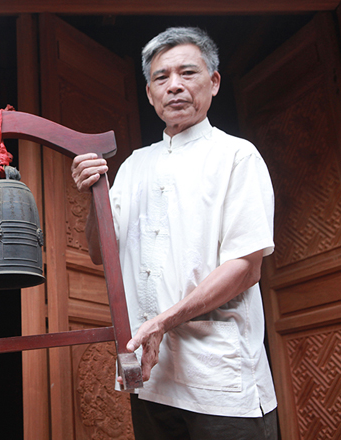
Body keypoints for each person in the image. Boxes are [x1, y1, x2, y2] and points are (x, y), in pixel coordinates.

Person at [71, 27, 277, 440]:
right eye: (162, 77)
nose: (175, 86)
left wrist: (161, 322)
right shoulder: (133, 166)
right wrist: (94, 195)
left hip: (220, 378)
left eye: (188, 73)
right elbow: (99, 252)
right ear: (150, 94)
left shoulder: (236, 156)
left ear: (214, 82)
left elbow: (245, 267)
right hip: (152, 379)